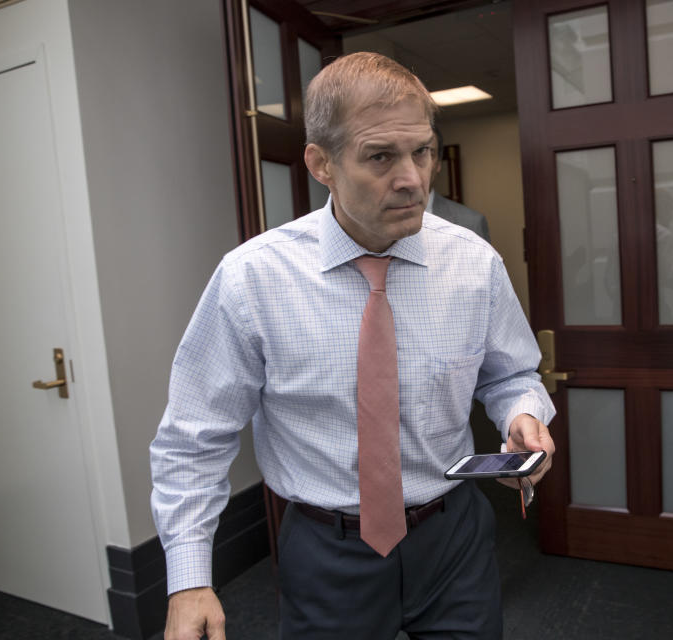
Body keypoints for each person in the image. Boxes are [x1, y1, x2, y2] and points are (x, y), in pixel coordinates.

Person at [150, 51, 556, 640]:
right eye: (380, 157)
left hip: (453, 542)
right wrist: (188, 579)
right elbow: (194, 437)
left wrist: (523, 414)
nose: (413, 178)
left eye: (422, 151)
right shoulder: (253, 279)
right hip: (327, 551)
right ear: (322, 164)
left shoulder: (473, 263)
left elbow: (510, 373)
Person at [427, 126, 491, 242]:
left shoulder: (470, 223)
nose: (413, 165)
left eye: (425, 153)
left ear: (438, 164)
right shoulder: (383, 221)